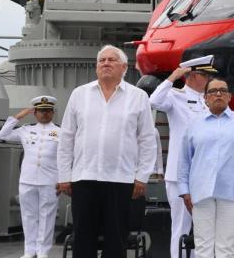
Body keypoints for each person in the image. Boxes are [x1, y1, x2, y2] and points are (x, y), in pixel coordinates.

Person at [57, 45, 159, 258]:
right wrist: (64, 176)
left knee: (116, 239)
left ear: (123, 67)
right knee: (83, 239)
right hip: (84, 178)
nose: (105, 63)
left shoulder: (138, 97)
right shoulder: (79, 94)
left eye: (111, 60)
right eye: (101, 60)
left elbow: (148, 140)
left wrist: (141, 177)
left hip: (121, 179)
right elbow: (67, 137)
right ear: (96, 67)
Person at [177, 77, 234, 258]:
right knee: (203, 247)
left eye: (223, 90)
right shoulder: (194, 123)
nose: (218, 94)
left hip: (232, 193)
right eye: (213, 91)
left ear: (229, 96)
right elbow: (184, 160)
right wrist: (184, 190)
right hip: (200, 192)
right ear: (205, 98)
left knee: (226, 247)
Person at [149, 55, 217, 258]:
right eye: (204, 74)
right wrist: (172, 77)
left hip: (205, 174)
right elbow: (154, 101)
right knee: (180, 226)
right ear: (191, 75)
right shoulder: (175, 96)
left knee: (203, 228)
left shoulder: (208, 102)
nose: (207, 79)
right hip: (180, 175)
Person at [0, 96, 60, 258]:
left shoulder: (61, 132)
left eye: (47, 111)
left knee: (47, 217)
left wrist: (63, 180)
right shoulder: (26, 129)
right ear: (35, 113)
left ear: (52, 112)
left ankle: (43, 251)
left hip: (50, 181)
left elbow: (67, 157)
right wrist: (19, 116)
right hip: (27, 180)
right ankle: (29, 250)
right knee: (28, 216)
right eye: (40, 111)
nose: (44, 114)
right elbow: (3, 135)